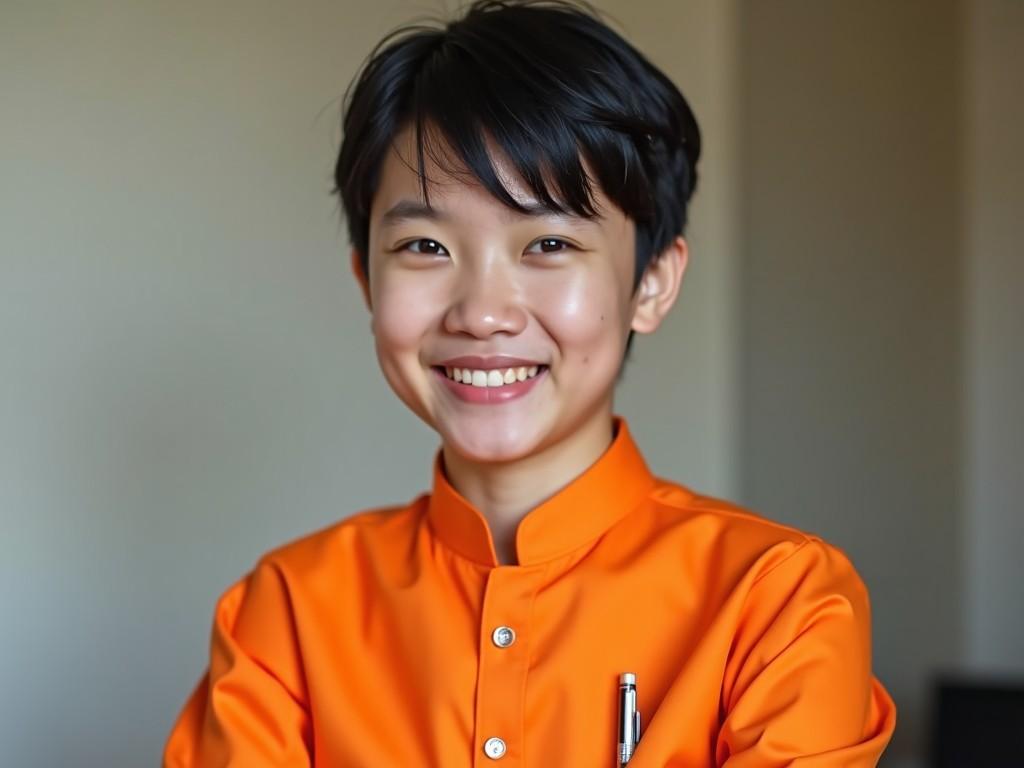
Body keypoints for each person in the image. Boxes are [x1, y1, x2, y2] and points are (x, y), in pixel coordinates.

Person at [163, 1, 896, 765]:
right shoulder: (284, 616)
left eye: (547, 242)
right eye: (423, 245)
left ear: (651, 282)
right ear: (366, 281)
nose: (482, 314)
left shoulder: (778, 604)